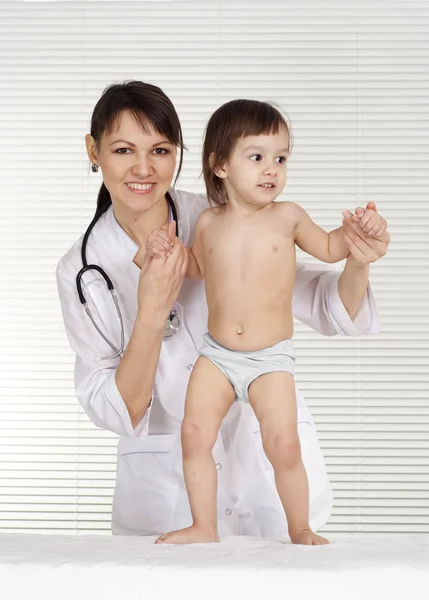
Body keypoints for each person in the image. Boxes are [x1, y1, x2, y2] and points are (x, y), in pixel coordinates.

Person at [55, 81, 390, 539]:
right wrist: (151, 312)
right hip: (167, 490)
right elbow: (114, 408)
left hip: (263, 465)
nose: (143, 168)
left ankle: (296, 524)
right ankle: (203, 524)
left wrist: (359, 259)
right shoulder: (81, 269)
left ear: (180, 154)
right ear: (93, 151)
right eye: (122, 149)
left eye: (160, 150)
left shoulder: (223, 213)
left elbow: (326, 302)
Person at [145, 99, 386, 546]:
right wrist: (167, 249)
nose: (271, 169)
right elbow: (198, 268)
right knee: (194, 433)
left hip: (270, 358)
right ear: (220, 166)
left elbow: (332, 248)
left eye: (281, 158)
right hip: (215, 354)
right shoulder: (209, 223)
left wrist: (361, 231)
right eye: (256, 157)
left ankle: (299, 527)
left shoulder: (287, 217)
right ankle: (204, 526)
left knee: (284, 444)